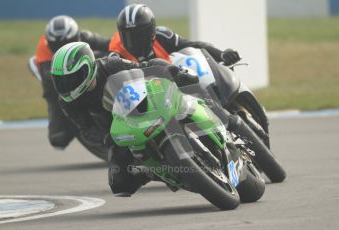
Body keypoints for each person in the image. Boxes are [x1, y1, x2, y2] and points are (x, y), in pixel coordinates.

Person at [50, 42, 198, 196]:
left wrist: (172, 71)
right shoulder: (67, 102)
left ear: (88, 67)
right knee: (119, 185)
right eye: (61, 81)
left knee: (178, 96)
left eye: (72, 78)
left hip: (144, 108)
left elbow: (145, 66)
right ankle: (150, 173)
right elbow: (86, 129)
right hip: (120, 135)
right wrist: (107, 139)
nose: (67, 85)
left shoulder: (111, 65)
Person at [34, 15, 110, 149]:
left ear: (76, 36)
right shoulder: (44, 51)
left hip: (91, 73)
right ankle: (76, 120)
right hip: (57, 86)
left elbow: (111, 44)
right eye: (57, 45)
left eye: (67, 42)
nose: (63, 48)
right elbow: (48, 76)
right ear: (49, 43)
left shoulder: (86, 37)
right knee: (58, 139)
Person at [108, 4, 241, 65]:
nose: (134, 42)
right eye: (128, 36)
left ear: (151, 33)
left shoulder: (163, 36)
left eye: (139, 36)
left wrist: (221, 54)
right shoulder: (116, 55)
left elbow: (193, 46)